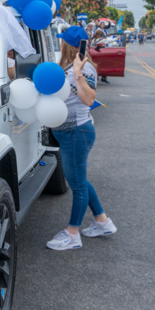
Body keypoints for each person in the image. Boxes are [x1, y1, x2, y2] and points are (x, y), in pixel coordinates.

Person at [46, 26, 117, 250]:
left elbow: (88, 99)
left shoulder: (83, 70)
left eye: (62, 41)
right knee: (80, 179)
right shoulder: (66, 66)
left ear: (67, 45)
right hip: (70, 132)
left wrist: (77, 73)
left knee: (76, 184)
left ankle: (72, 233)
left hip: (76, 132)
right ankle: (102, 221)